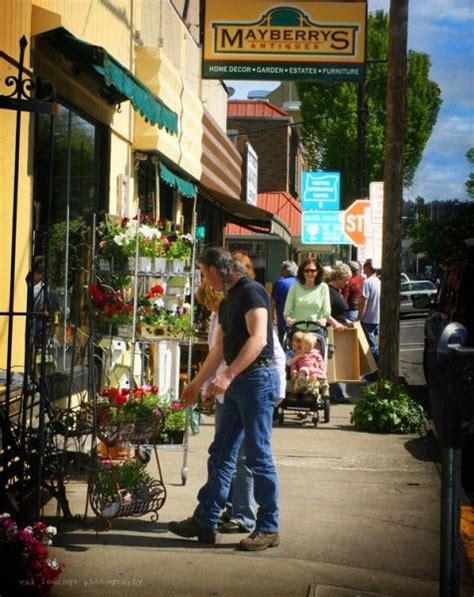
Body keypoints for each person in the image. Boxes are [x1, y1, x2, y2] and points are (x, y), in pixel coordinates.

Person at [168, 247, 280, 551]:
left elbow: (259, 339)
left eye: (204, 274)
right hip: (236, 383)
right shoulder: (229, 299)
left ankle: (268, 527)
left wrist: (227, 376)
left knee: (258, 455)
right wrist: (195, 385)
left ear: (216, 271)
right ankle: (206, 520)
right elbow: (219, 349)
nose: (205, 281)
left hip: (256, 380)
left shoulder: (252, 291)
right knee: (221, 453)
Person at [327, 264, 353, 404]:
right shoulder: (329, 291)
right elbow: (326, 313)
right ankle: (336, 394)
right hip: (332, 332)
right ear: (338, 278)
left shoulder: (335, 290)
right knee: (333, 365)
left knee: (337, 365)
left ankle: (337, 393)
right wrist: (338, 323)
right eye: (345, 280)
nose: (347, 283)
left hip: (338, 330)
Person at [283, 258, 331, 328]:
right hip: (298, 329)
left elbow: (326, 310)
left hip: (316, 329)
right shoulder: (295, 286)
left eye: (313, 270)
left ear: (318, 271)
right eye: (306, 271)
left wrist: (323, 320)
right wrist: (288, 319)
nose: (309, 273)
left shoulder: (323, 287)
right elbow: (287, 310)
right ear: (302, 272)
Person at [289, 331, 328, 396]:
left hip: (314, 369)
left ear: (313, 346)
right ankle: (302, 383)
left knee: (321, 374)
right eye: (305, 348)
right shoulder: (299, 354)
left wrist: (322, 369)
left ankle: (324, 385)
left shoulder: (316, 353)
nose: (307, 350)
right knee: (303, 370)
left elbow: (320, 361)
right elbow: (294, 364)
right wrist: (294, 371)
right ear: (302, 346)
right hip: (304, 369)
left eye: (310, 348)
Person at [358, 259, 381, 363]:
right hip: (377, 317)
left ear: (368, 267)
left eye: (364, 266)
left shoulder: (366, 282)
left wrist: (359, 318)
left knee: (371, 346)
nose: (363, 268)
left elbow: (364, 302)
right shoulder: (378, 282)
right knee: (374, 343)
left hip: (368, 318)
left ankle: (377, 369)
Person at [271, 260, 298, 344]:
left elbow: (273, 302)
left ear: (286, 270)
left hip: (283, 321)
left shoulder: (279, 283)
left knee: (282, 344)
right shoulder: (301, 282)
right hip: (299, 321)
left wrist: (273, 315)